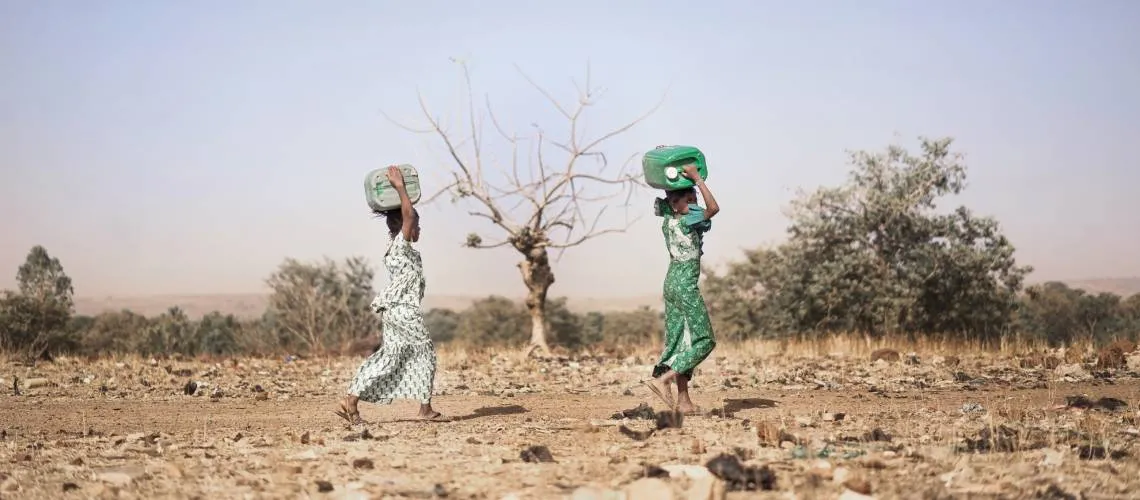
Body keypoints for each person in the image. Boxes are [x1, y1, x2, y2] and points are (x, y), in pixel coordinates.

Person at [336, 165, 450, 424]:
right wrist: (400, 187)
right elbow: (408, 215)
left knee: (391, 356)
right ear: (406, 225)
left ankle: (351, 400)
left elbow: (407, 217)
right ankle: (425, 409)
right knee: (424, 351)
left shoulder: (393, 247)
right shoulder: (401, 242)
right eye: (416, 225)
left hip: (394, 310)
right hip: (403, 310)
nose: (418, 230)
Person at [643, 163, 720, 415]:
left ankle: (684, 402)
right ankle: (662, 379)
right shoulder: (689, 219)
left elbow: (668, 195)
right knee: (704, 340)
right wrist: (698, 178)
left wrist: (669, 170)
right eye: (690, 198)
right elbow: (714, 208)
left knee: (679, 341)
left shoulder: (669, 218)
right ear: (678, 203)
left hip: (671, 282)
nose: (695, 201)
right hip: (685, 284)